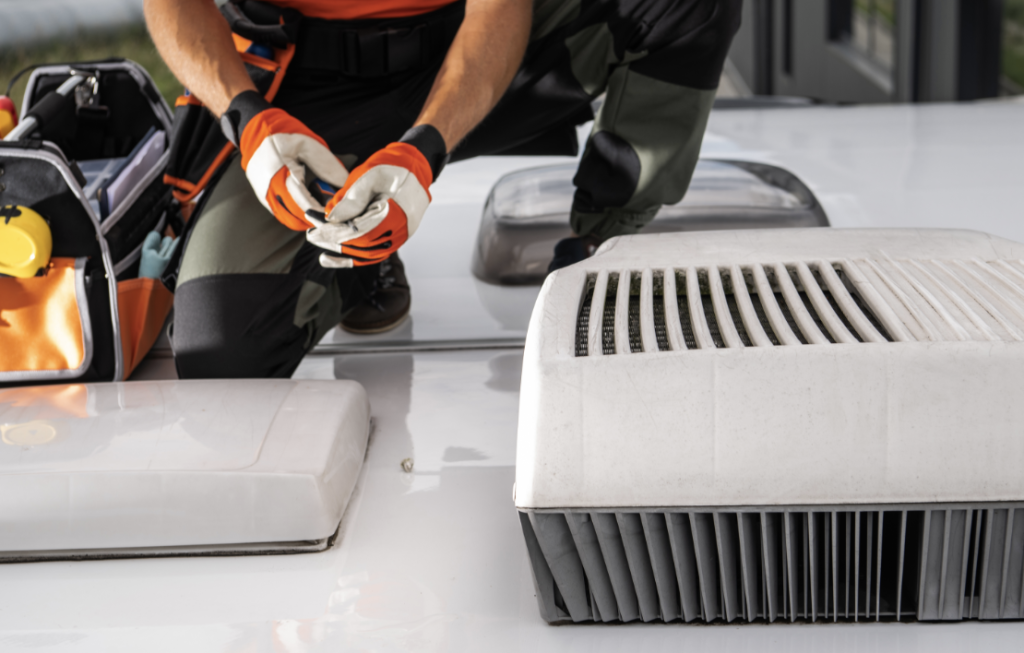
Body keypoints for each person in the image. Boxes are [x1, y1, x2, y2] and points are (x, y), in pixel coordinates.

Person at [145, 0, 741, 378]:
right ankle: (355, 265)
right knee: (222, 349)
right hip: (300, 90)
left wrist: (425, 147)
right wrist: (249, 120)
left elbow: (497, 11)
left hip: (469, 54)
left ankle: (608, 253)